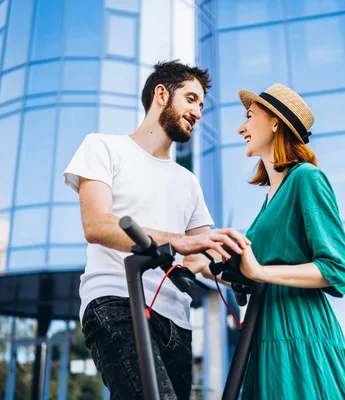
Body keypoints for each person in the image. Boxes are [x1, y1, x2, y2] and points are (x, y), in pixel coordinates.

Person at [62, 60, 250, 400]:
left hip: (177, 322)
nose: (198, 112)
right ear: (161, 94)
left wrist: (243, 272)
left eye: (201, 105)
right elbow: (97, 224)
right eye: (191, 99)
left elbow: (199, 259)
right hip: (116, 304)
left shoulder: (188, 182)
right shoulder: (104, 147)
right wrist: (179, 240)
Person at [236, 83, 345, 398]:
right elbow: (254, 271)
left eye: (250, 117)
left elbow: (337, 268)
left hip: (300, 332)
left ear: (275, 123)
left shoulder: (306, 178)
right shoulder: (269, 200)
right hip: (266, 333)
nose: (242, 128)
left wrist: (259, 272)